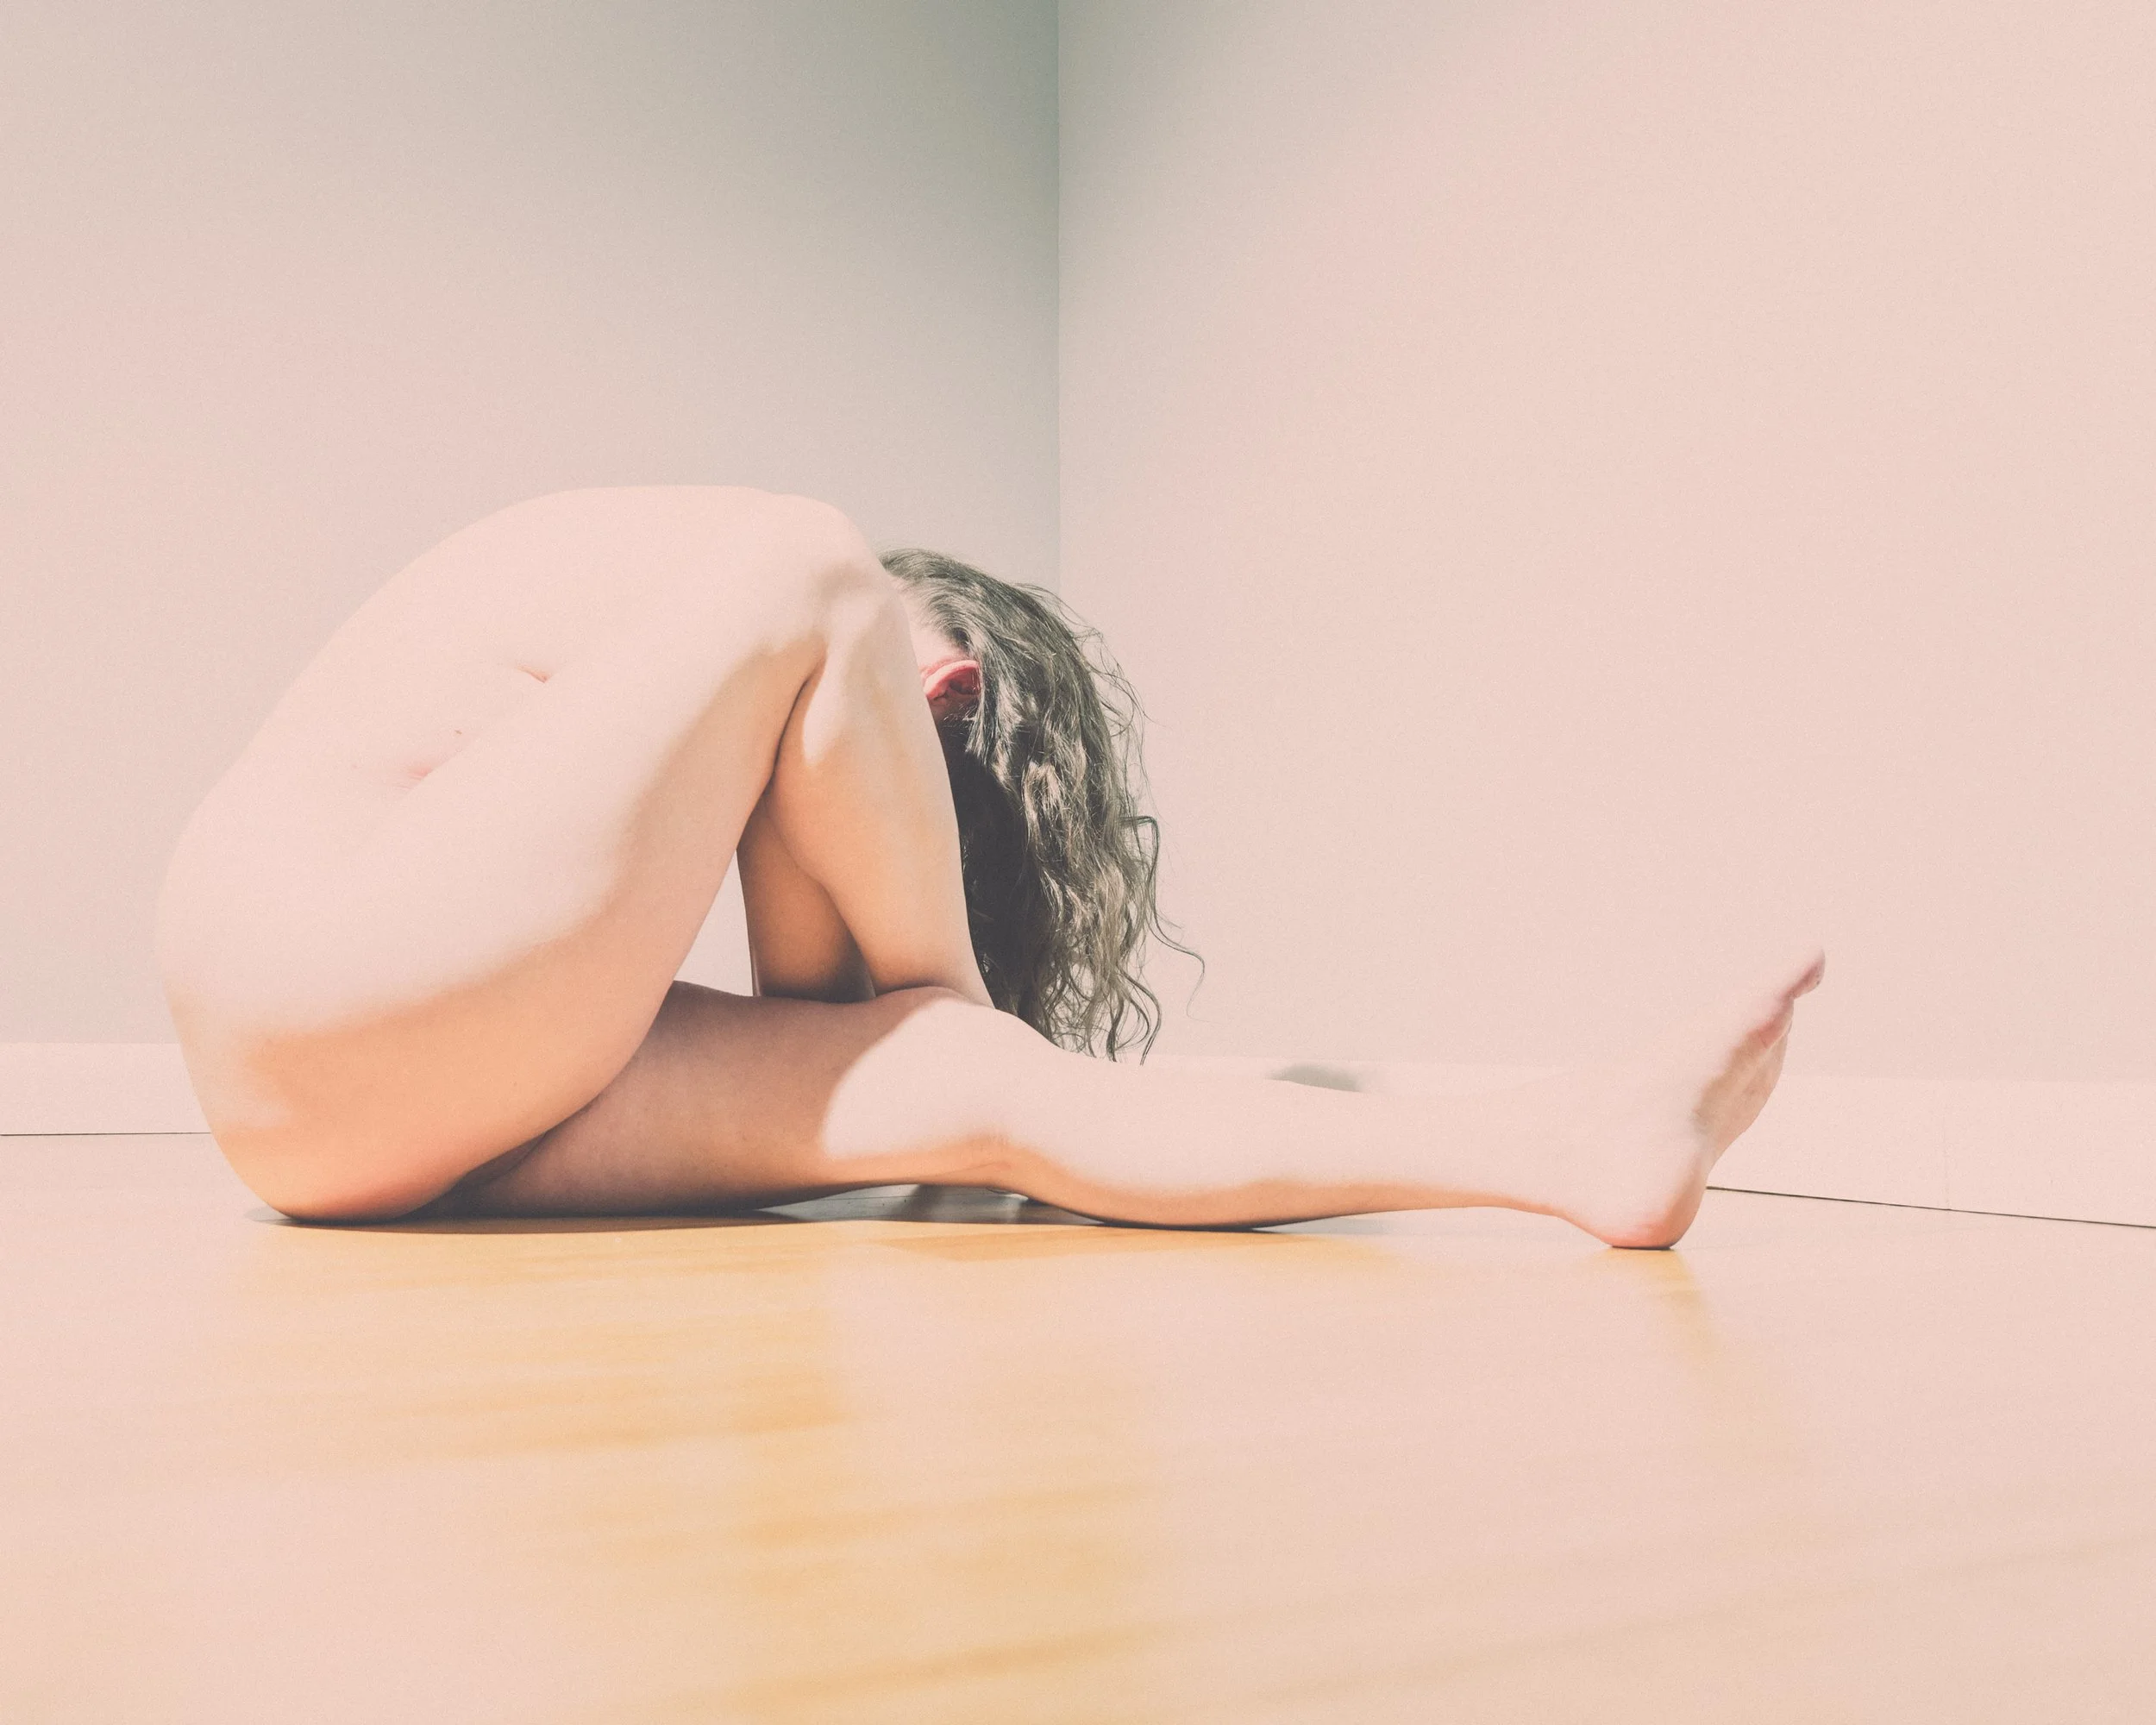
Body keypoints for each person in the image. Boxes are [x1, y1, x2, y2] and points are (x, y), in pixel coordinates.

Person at [154, 485, 1821, 1245]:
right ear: (939, 676)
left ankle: (1563, 1144)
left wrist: (946, 1064)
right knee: (811, 558)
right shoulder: (762, 592)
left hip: (376, 1121)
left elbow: (810, 1014)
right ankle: (965, 1023)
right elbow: (823, 613)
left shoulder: (655, 731)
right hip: (324, 970)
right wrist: (937, 1002)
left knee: (973, 1085)